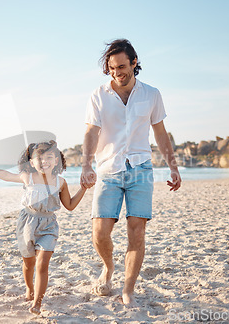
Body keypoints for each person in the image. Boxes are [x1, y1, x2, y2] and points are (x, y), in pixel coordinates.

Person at [80, 39, 181, 307]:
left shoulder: (151, 94)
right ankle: (109, 267)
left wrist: (172, 165)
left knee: (137, 233)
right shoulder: (98, 95)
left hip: (141, 169)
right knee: (100, 233)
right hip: (108, 169)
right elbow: (91, 132)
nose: (117, 73)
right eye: (112, 68)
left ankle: (128, 288)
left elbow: (160, 132)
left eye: (122, 66)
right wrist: (86, 164)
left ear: (134, 63)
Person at [0, 140, 86, 314]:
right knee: (28, 263)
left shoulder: (61, 182)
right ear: (32, 162)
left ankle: (37, 302)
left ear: (57, 160)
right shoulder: (27, 177)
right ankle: (29, 287)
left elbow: (70, 205)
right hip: (27, 223)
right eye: (39, 158)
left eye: (49, 157)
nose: (44, 161)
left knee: (42, 264)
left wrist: (84, 188)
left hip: (49, 225)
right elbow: (6, 175)